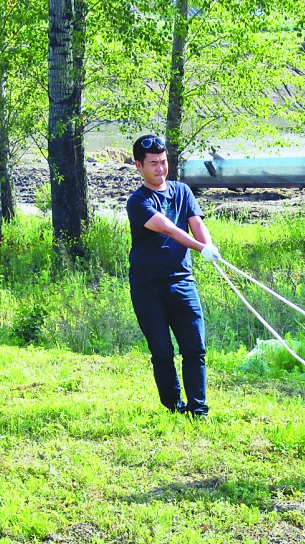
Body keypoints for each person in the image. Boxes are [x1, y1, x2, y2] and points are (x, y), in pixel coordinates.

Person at [126, 134, 222, 418]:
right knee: (163, 351)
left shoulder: (182, 191)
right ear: (139, 166)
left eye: (164, 161)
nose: (160, 168)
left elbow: (195, 224)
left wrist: (209, 245)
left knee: (195, 347)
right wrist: (200, 248)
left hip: (182, 282)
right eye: (153, 163)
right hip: (147, 286)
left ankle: (198, 409)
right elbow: (169, 228)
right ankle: (173, 406)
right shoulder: (138, 201)